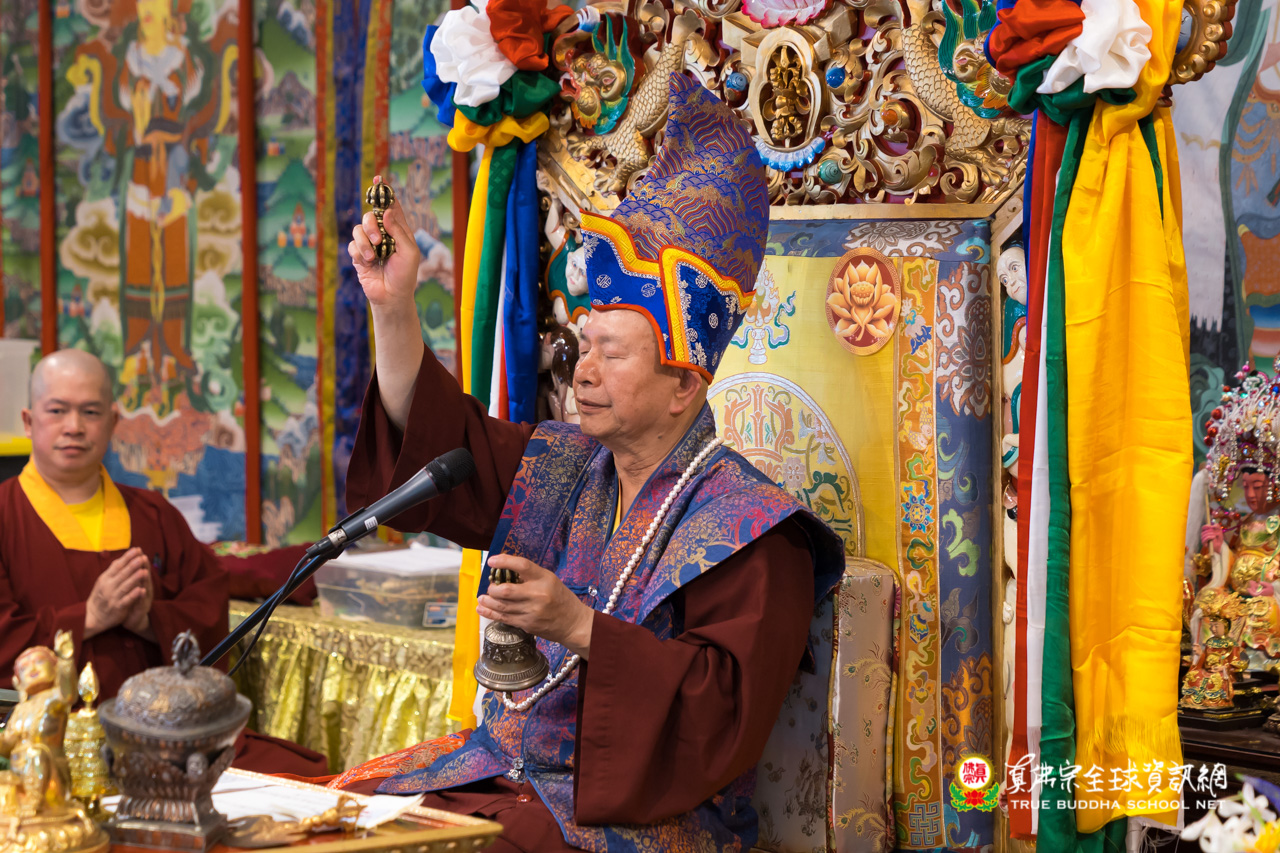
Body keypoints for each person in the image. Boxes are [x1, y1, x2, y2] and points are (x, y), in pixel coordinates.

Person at [331, 74, 844, 852]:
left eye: (613, 352)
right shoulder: (562, 464)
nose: (585, 372)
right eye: (583, 346)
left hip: (629, 823)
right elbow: (436, 445)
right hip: (502, 773)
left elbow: (718, 722)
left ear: (684, 383)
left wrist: (578, 626)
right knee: (323, 822)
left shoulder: (755, 532)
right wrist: (393, 306)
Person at [0, 348, 327, 777]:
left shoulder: (154, 514)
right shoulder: (5, 515)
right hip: (50, 748)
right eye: (57, 410)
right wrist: (89, 618)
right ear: (28, 421)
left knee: (308, 777)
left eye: (91, 412)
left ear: (114, 422)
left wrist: (151, 621)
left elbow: (207, 608)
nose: (74, 426)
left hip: (172, 737)